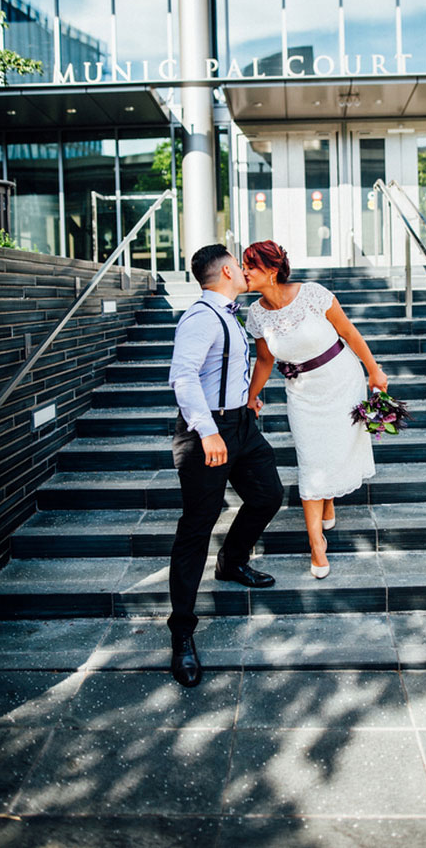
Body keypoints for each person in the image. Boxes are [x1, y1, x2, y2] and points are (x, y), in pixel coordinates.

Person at [168, 244, 283, 687]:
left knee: (267, 495)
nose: (244, 269)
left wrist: (245, 399)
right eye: (239, 264)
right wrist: (208, 430)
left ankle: (231, 561)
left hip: (240, 425)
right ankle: (181, 634)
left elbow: (226, 366)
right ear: (229, 270)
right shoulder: (200, 316)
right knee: (196, 529)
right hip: (208, 432)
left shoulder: (230, 312)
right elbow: (183, 376)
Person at [243, 241, 388, 578]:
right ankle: (316, 544)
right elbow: (265, 360)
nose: (244, 272)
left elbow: (348, 331)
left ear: (272, 270)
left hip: (341, 380)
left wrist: (374, 369)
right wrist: (251, 396)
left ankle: (329, 501)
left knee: (333, 450)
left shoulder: (312, 293)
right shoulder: (256, 313)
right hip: (303, 394)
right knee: (311, 461)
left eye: (250, 266)